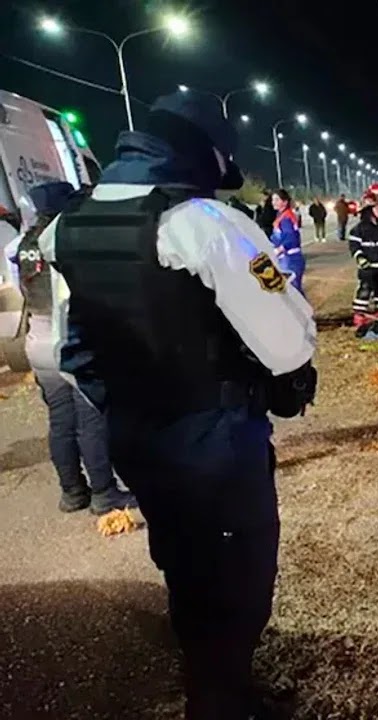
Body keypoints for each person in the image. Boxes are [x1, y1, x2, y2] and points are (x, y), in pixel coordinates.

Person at [38, 91, 317, 718]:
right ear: (205, 153)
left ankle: (214, 684)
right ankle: (220, 701)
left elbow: (72, 350)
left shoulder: (68, 226)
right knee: (238, 574)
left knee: (183, 563)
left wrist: (128, 403)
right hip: (214, 440)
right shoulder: (206, 222)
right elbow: (285, 342)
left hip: (135, 434)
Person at [4, 182, 133, 515]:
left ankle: (72, 492)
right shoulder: (68, 239)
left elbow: (19, 286)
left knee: (61, 420)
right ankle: (104, 493)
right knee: (91, 420)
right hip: (69, 337)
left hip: (37, 339)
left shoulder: (20, 245)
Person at [349, 201, 378, 316]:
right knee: (364, 292)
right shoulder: (359, 229)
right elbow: (355, 247)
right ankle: (359, 318)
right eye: (377, 208)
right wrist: (361, 259)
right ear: (369, 210)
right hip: (368, 269)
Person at [270, 189, 304, 294]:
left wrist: (279, 249)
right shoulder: (282, 215)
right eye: (273, 200)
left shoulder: (286, 218)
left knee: (293, 292)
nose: (273, 202)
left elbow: (291, 238)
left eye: (277, 199)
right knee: (293, 291)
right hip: (289, 258)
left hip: (290, 258)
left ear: (284, 202)